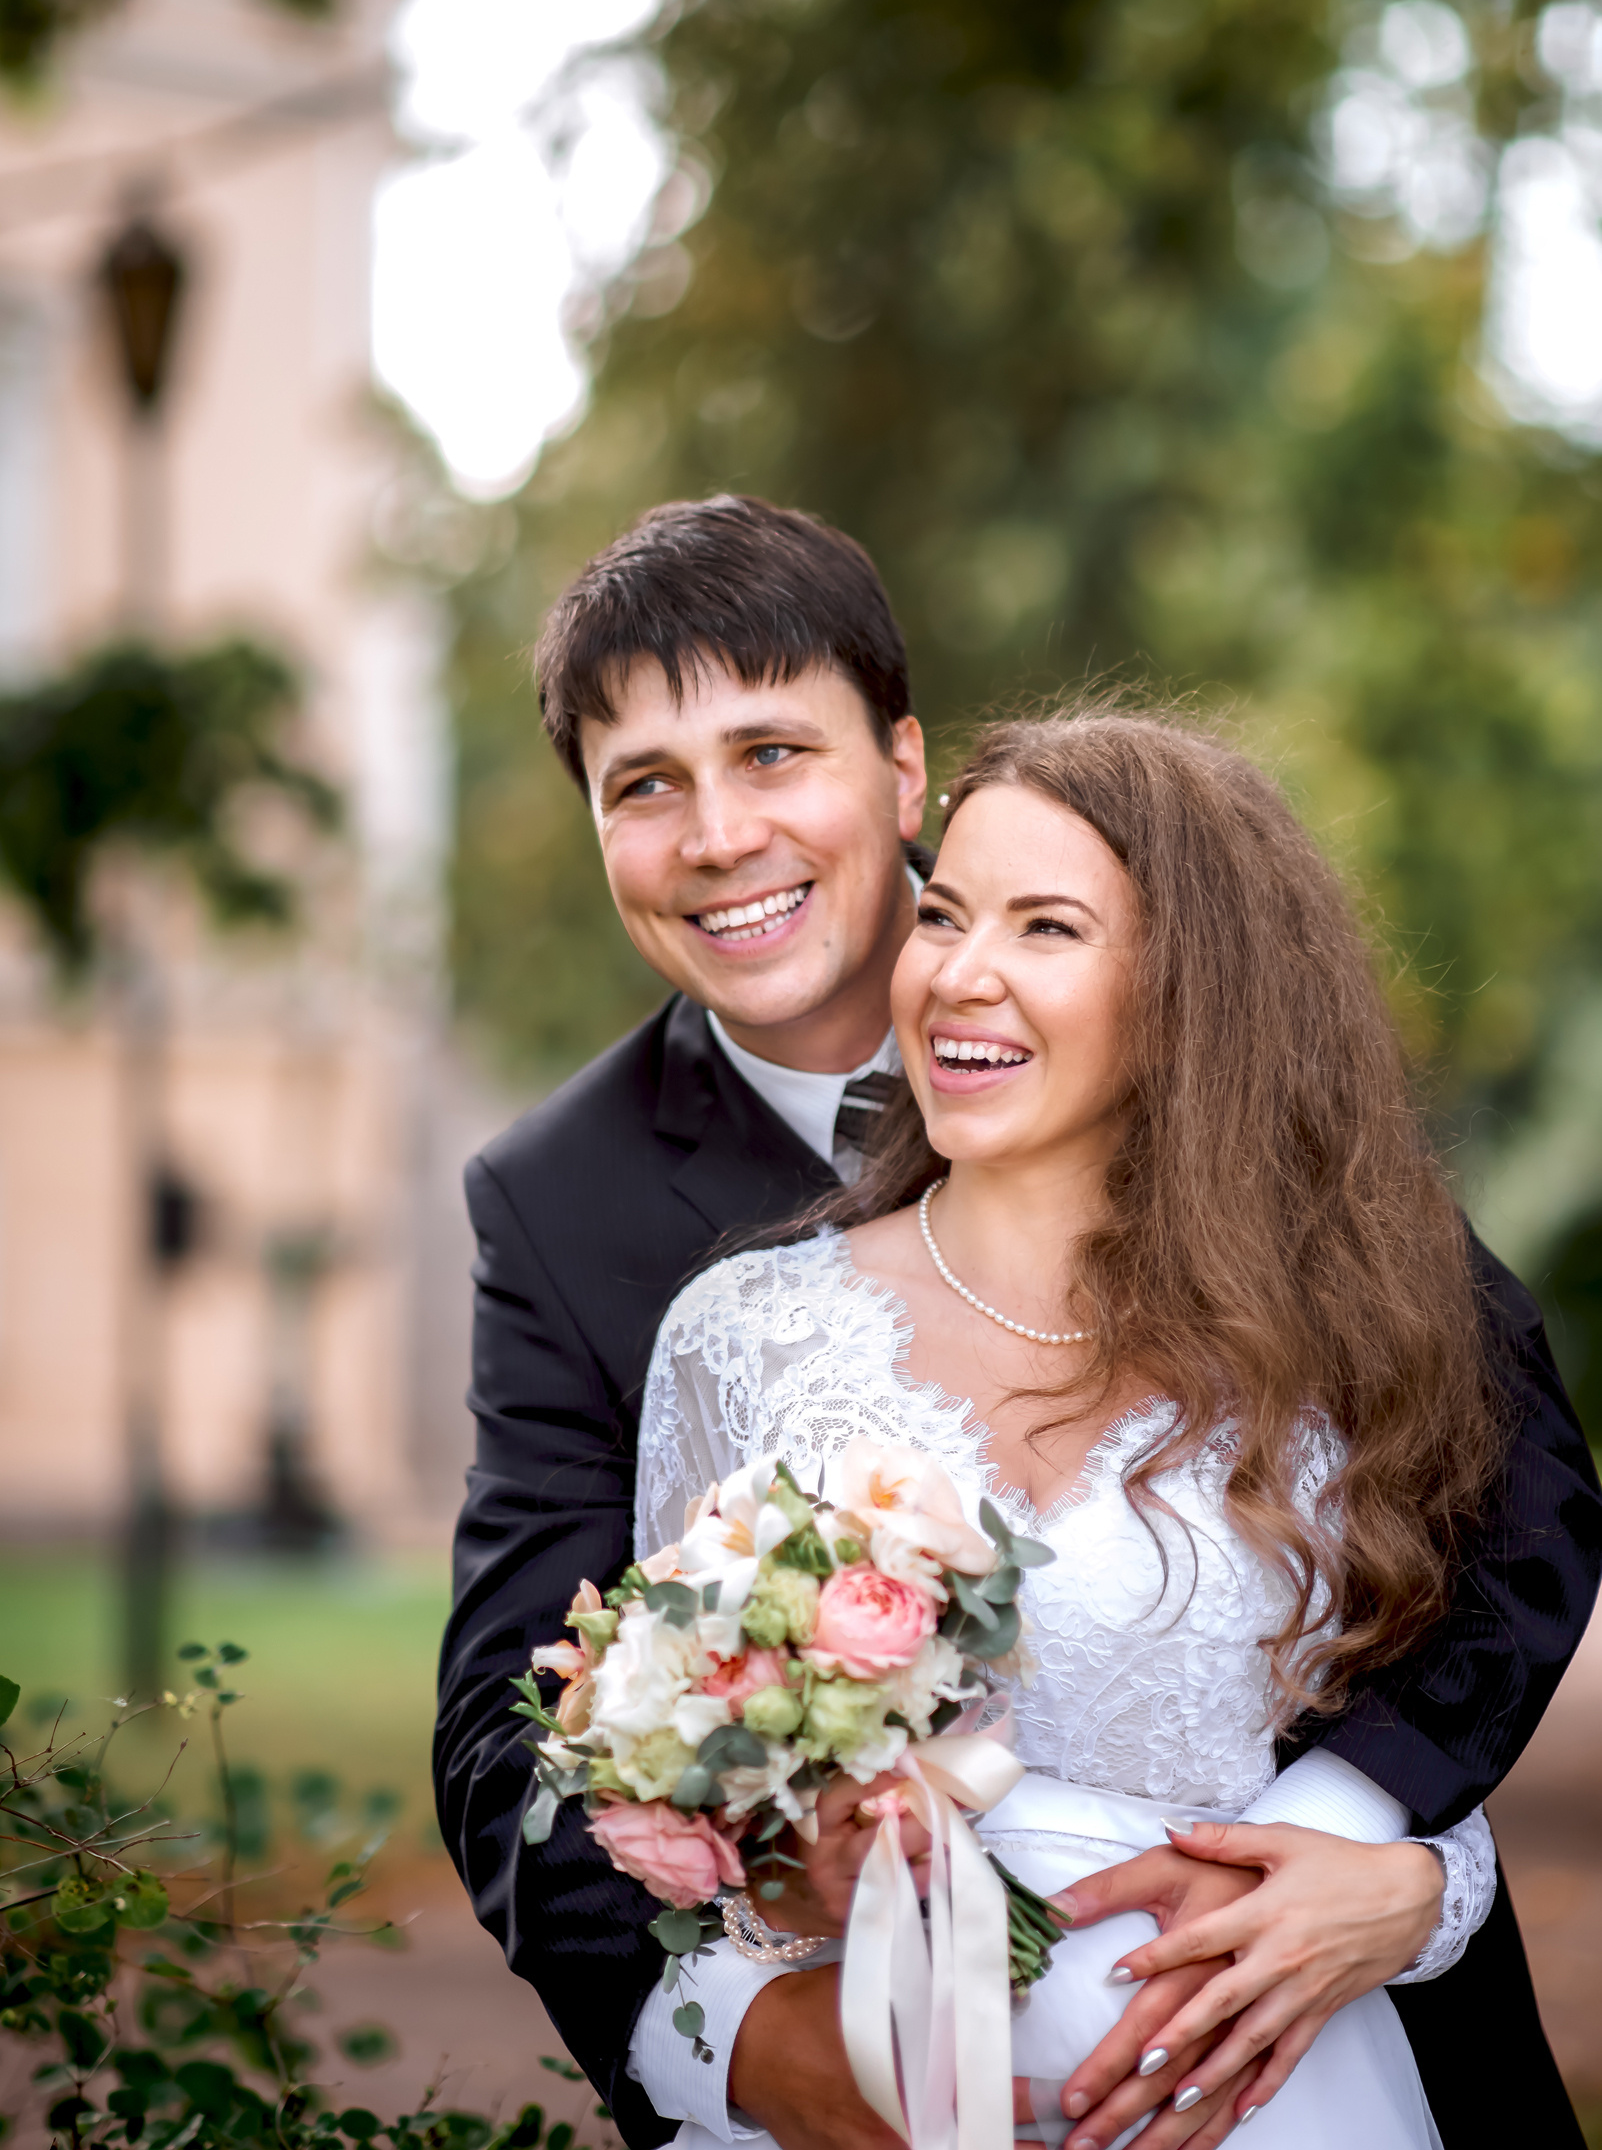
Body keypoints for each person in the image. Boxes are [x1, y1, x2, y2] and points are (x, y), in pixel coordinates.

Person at [433, 497, 1602, 2150]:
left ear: (900, 769)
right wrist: (740, 2045)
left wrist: (1400, 1863)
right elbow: (522, 1719)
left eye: (773, 754)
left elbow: (1520, 1500)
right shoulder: (577, 1215)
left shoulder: (1263, 1143)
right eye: (644, 786)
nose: (716, 836)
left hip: (1309, 2058)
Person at [630, 705, 1537, 2147]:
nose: (959, 976)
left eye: (1045, 929)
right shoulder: (742, 1334)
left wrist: (1419, 1891)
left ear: (1192, 993)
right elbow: (690, 1832)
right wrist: (791, 1882)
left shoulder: (1357, 1345)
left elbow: (1443, 1704)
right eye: (942, 916)